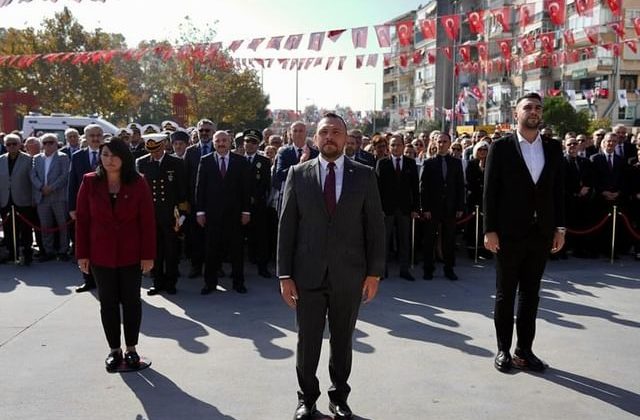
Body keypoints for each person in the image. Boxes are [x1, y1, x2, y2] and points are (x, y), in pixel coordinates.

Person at [278, 112, 385, 420]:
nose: (330, 137)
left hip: (349, 276)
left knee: (342, 341)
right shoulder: (297, 174)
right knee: (307, 341)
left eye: (336, 132)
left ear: (346, 138)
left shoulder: (364, 175)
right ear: (315, 138)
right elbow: (287, 227)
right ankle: (306, 399)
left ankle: (339, 397)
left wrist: (374, 272)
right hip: (307, 275)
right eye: (324, 132)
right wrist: (284, 275)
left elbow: (375, 227)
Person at [484, 92, 565, 373]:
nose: (534, 111)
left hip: (540, 233)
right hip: (507, 234)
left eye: (538, 108)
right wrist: (490, 230)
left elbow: (558, 192)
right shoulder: (501, 147)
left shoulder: (553, 148)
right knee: (505, 294)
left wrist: (560, 228)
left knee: (531, 294)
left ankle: (524, 350)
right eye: (527, 107)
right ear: (515, 113)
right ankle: (503, 350)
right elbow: (490, 193)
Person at [75, 137, 156, 372]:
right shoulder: (89, 182)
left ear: (124, 158)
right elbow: (82, 221)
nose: (109, 160)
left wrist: (148, 255)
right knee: (107, 303)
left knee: (131, 302)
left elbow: (147, 222)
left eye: (114, 155)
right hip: (101, 254)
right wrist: (82, 254)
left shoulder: (138, 182)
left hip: (131, 253)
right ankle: (114, 350)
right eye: (105, 154)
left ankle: (131, 349)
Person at [195, 130, 251, 295]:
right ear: (213, 142)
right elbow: (200, 188)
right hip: (212, 215)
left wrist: (246, 211)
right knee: (211, 250)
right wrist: (200, 212)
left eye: (224, 140)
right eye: (218, 140)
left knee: (236, 250)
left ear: (230, 142)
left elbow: (246, 189)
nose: (221, 143)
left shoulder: (240, 161)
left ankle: (238, 282)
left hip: (235, 214)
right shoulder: (205, 161)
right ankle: (209, 284)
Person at [136, 133, 188, 296]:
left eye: (157, 150)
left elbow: (183, 189)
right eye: (151, 150)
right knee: (154, 251)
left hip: (171, 213)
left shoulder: (176, 162)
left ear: (164, 145)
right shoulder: (142, 162)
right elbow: (139, 191)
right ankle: (157, 282)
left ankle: (171, 282)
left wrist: (183, 214)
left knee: (171, 251)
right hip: (150, 214)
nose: (154, 154)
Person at [420, 132, 465, 280]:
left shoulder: (456, 163)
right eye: (439, 142)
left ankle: (449, 268)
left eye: (445, 141)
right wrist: (425, 208)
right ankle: (428, 269)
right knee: (429, 239)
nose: (442, 144)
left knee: (449, 239)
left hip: (450, 207)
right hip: (433, 208)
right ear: (435, 143)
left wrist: (460, 207)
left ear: (450, 143)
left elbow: (460, 186)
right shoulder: (429, 163)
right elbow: (423, 188)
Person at [375, 133, 419, 280]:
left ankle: (404, 270)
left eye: (398, 144)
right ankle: (383, 270)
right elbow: (378, 189)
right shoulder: (382, 163)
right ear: (389, 147)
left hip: (405, 209)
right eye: (392, 145)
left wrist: (415, 209)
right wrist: (379, 209)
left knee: (404, 240)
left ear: (403, 146)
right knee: (384, 241)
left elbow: (415, 188)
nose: (395, 147)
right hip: (387, 209)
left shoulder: (410, 163)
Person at [68, 124, 104, 292]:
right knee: (84, 243)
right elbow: (72, 183)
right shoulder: (77, 156)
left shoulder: (109, 154)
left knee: (102, 243)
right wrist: (71, 207)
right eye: (92, 136)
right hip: (84, 209)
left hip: (106, 210)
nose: (95, 138)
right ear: (86, 137)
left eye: (98, 135)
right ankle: (88, 279)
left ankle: (104, 279)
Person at [30, 133, 70, 261]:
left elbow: (64, 176)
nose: (48, 145)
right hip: (42, 196)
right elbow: (33, 175)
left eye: (51, 142)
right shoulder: (37, 158)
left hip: (58, 196)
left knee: (62, 225)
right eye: (45, 142)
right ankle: (49, 251)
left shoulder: (63, 157)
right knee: (45, 225)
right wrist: (41, 187)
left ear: (56, 143)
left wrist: (51, 187)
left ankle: (63, 251)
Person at [0, 134, 34, 265]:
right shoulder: (1, 159)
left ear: (20, 145)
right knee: (8, 228)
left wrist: (34, 199)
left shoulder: (28, 159)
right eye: (8, 144)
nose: (11, 146)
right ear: (5, 146)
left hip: (23, 199)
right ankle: (11, 253)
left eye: (14, 144)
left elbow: (33, 181)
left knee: (25, 229)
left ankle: (27, 253)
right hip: (5, 199)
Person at [243, 129, 273, 278]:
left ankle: (263, 267)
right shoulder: (238, 159)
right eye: (247, 141)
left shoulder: (264, 161)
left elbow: (265, 184)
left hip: (258, 205)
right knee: (240, 236)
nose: (250, 145)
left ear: (258, 144)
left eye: (254, 142)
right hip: (241, 205)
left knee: (261, 236)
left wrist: (254, 197)